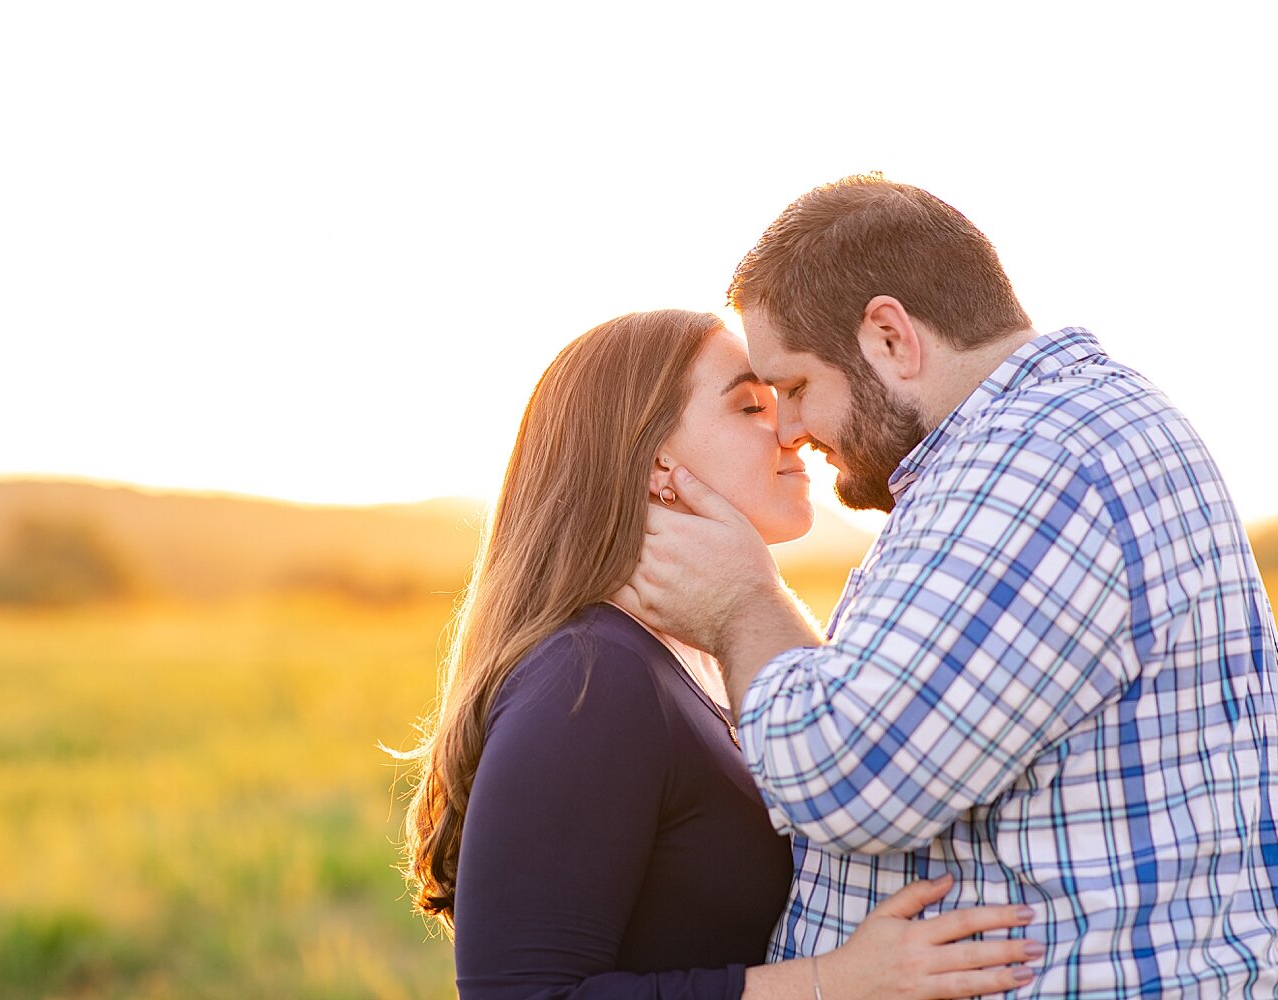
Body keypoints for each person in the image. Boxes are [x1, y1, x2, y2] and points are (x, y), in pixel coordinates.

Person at [617, 175, 1278, 997]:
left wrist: (743, 604)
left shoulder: (1040, 464)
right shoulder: (1048, 438)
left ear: (890, 337)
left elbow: (850, 777)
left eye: (793, 388)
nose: (790, 430)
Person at [400, 309, 1042, 999]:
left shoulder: (686, 659)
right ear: (656, 464)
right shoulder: (590, 675)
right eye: (748, 405)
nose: (791, 431)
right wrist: (834, 983)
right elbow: (519, 995)